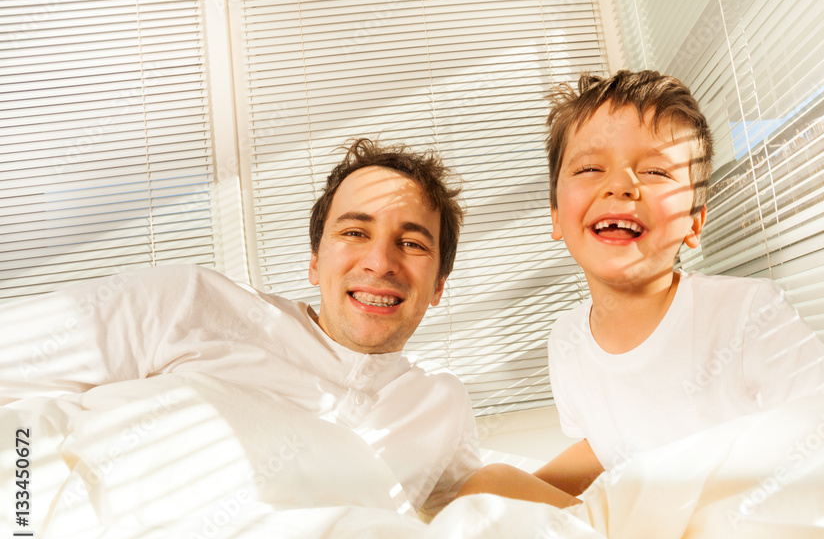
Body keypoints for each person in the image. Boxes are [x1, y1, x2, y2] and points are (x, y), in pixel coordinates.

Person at [0, 138, 481, 515]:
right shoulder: (189, 302)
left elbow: (481, 505)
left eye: (413, 244)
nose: (379, 262)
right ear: (315, 262)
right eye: (355, 232)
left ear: (438, 285)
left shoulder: (440, 403)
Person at [459, 70, 824, 504]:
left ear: (694, 222)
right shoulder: (566, 340)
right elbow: (605, 445)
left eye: (655, 171)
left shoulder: (746, 314)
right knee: (487, 484)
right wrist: (511, 496)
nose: (620, 186)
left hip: (732, 530)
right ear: (556, 215)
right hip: (636, 537)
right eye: (591, 167)